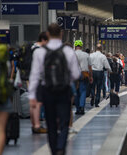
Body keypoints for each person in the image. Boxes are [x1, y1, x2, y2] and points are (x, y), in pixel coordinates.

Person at [28, 23, 80, 155]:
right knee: (63, 122)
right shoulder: (68, 51)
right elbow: (76, 74)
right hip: (64, 90)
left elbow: (34, 75)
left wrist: (32, 96)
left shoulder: (40, 52)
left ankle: (53, 149)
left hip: (47, 91)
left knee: (50, 122)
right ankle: (61, 147)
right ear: (61, 34)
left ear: (48, 34)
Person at [29, 32, 48, 134]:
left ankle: (34, 124)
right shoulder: (39, 50)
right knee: (38, 102)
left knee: (33, 102)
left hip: (30, 77)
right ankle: (37, 125)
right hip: (38, 78)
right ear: (43, 40)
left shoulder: (32, 48)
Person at [74, 40, 93, 115]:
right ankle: (82, 107)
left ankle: (77, 108)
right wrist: (91, 76)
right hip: (84, 74)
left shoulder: (72, 54)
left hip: (74, 75)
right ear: (81, 46)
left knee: (76, 92)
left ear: (75, 46)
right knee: (83, 91)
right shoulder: (86, 55)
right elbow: (90, 67)